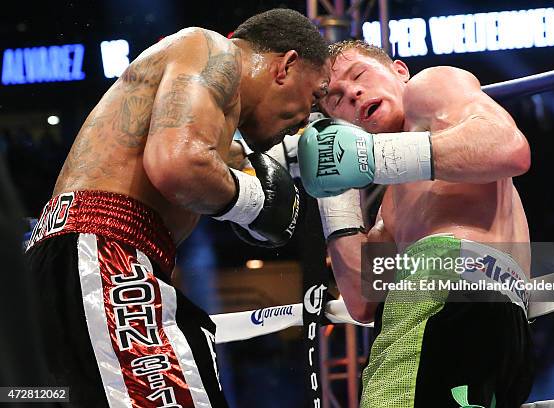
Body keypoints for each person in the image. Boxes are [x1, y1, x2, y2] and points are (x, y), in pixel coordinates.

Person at [24, 9, 329, 407]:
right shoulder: (211, 49)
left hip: (76, 262)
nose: (308, 115)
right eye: (317, 94)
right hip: (100, 257)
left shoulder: (213, 124)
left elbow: (207, 160)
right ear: (286, 66)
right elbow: (177, 164)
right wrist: (255, 204)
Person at [298, 40, 534, 407]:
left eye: (358, 75)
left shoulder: (430, 88)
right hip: (499, 321)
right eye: (338, 99)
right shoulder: (394, 199)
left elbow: (509, 148)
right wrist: (332, 193)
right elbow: (362, 300)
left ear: (399, 70)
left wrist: (373, 156)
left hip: (441, 295)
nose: (354, 94)